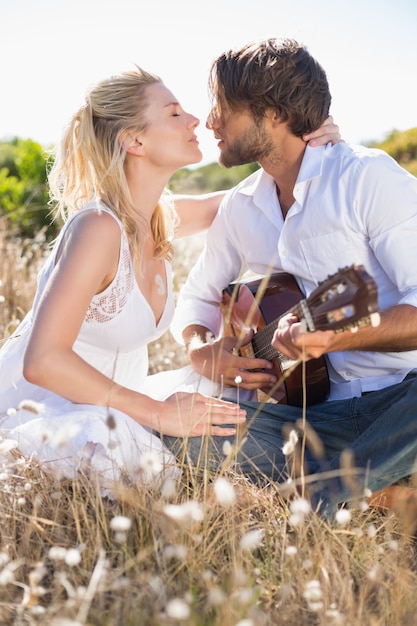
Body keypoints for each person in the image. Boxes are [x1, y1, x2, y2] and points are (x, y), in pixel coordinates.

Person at [0, 63, 336, 494]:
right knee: (151, 457)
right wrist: (157, 413)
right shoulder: (98, 228)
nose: (195, 119)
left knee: (227, 389)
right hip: (49, 413)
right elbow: (43, 360)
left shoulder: (158, 218)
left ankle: (337, 476)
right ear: (135, 140)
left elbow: (249, 195)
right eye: (175, 113)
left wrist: (307, 142)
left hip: (112, 401)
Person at [168, 38, 417, 513]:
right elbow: (197, 297)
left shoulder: (367, 178)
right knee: (173, 429)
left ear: (275, 114)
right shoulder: (240, 206)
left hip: (401, 401)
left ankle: (322, 494)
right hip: (303, 415)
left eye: (222, 106)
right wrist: (201, 351)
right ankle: (372, 490)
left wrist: (337, 338)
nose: (211, 120)